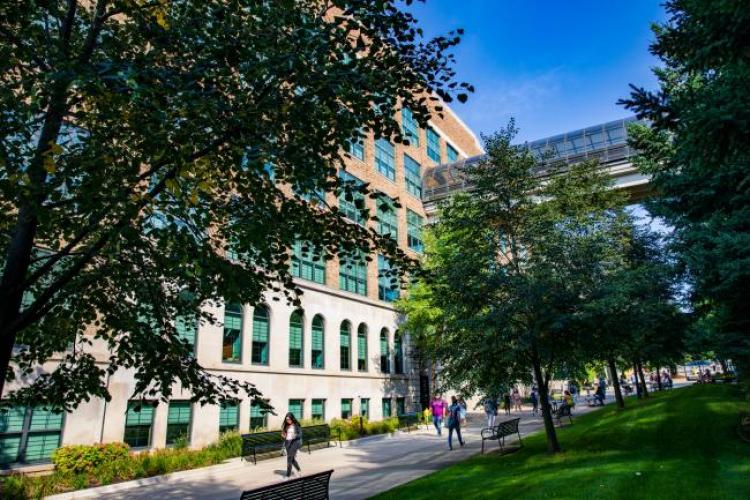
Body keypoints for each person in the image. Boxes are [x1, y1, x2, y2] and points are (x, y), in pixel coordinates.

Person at [281, 412, 302, 479]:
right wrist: (283, 435)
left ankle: (288, 475)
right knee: (292, 459)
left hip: (294, 443)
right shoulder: (286, 425)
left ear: (292, 419)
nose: (288, 421)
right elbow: (284, 434)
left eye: (289, 419)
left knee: (289, 459)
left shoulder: (296, 425)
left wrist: (295, 436)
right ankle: (299, 469)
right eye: (286, 419)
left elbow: (300, 434)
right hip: (287, 443)